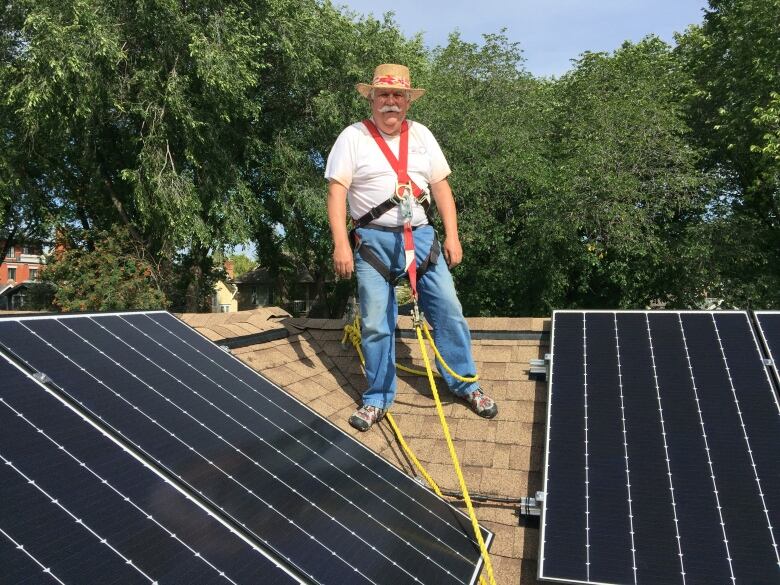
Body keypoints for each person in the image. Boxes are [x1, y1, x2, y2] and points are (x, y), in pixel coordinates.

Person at [325, 64, 498, 431]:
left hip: (420, 237)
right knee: (375, 322)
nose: (391, 102)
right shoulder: (353, 137)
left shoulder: (421, 136)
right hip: (372, 239)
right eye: (383, 95)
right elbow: (337, 191)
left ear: (407, 102)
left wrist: (452, 235)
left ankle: (466, 384)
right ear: (372, 99)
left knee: (448, 309)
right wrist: (341, 242)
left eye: (397, 96)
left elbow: (441, 188)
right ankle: (377, 397)